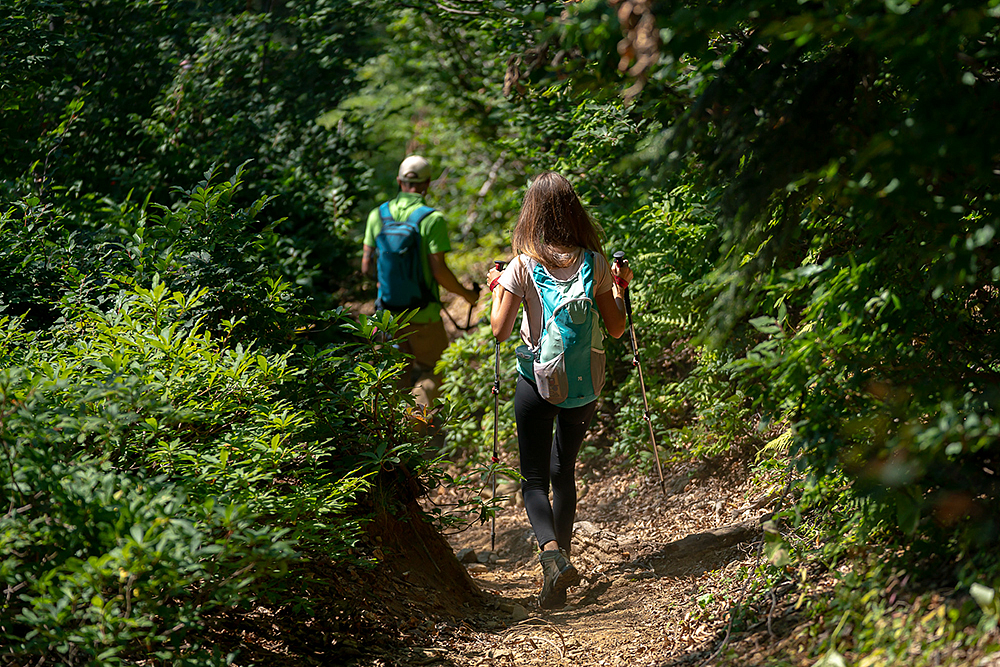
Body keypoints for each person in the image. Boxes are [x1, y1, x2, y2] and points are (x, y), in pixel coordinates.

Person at [486, 172, 632, 609]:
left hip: (536, 381)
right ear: (574, 210)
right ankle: (559, 572)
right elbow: (617, 327)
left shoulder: (523, 265)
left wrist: (497, 289)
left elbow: (500, 330)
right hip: (584, 384)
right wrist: (621, 289)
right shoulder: (595, 262)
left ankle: (552, 557)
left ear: (532, 212)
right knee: (561, 472)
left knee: (532, 478)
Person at [362, 155, 479, 409]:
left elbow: (366, 266)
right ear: (427, 184)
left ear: (399, 181)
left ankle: (392, 437)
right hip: (424, 314)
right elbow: (440, 272)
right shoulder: (431, 219)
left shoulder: (377, 215)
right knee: (433, 369)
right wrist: (468, 296)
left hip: (387, 314)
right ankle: (416, 427)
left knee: (393, 373)